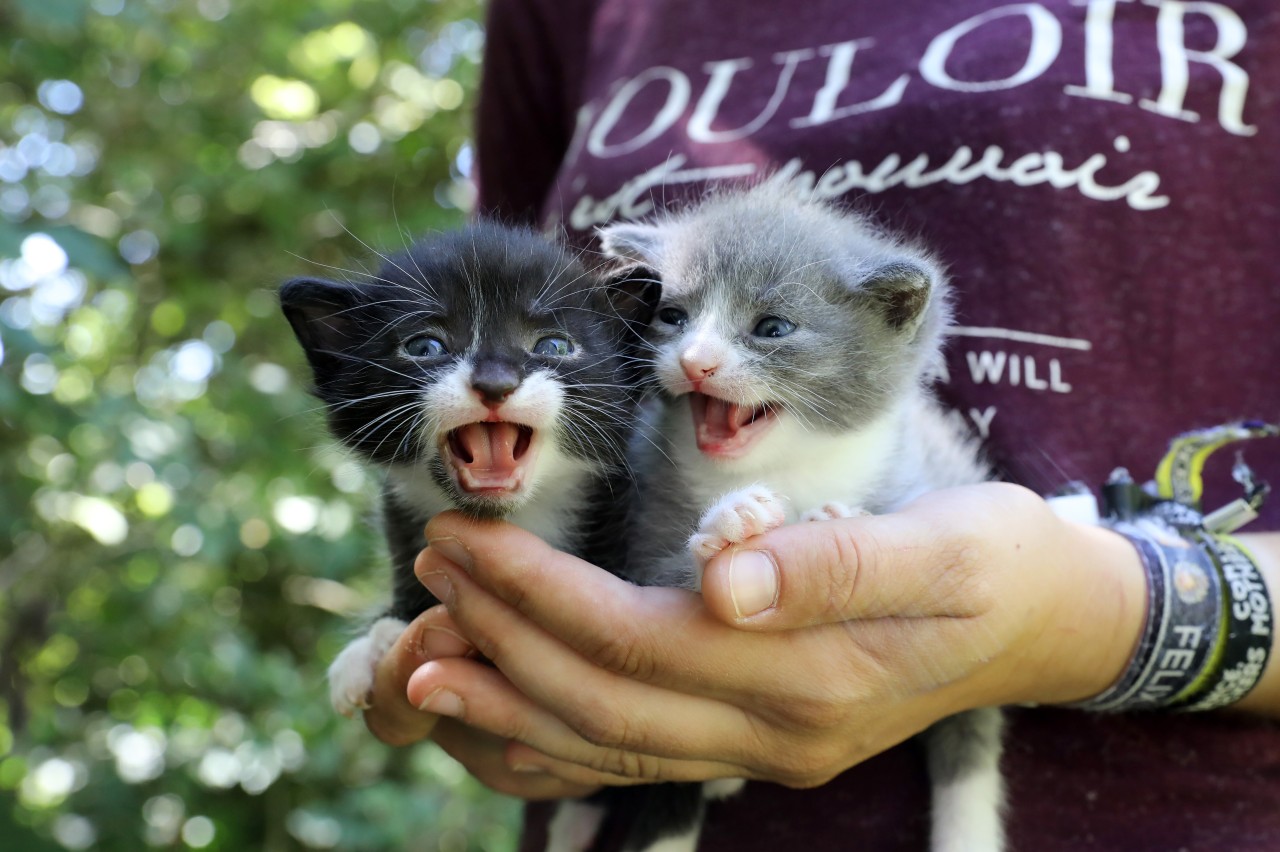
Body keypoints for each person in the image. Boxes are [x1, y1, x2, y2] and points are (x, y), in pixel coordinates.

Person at [365, 1, 1280, 848]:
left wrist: (1107, 610)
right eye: (672, 317)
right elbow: (511, 334)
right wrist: (499, 663)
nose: (689, 356)